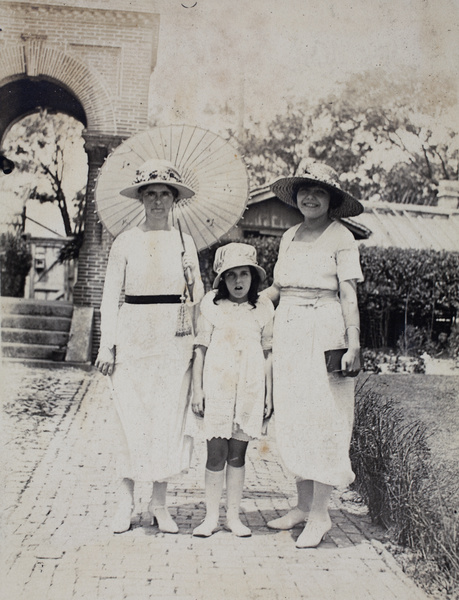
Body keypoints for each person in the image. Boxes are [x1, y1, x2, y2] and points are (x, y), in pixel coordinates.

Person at [95, 158, 204, 534]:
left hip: (174, 340)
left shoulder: (184, 242)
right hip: (134, 336)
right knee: (131, 418)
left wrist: (192, 282)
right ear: (141, 198)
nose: (158, 201)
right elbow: (111, 297)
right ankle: (125, 501)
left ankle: (160, 503)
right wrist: (107, 345)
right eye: (150, 194)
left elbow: (198, 299)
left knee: (166, 419)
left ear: (174, 199)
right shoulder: (126, 241)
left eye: (164, 194)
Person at [263, 161, 364, 548]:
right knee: (295, 416)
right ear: (296, 196)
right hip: (289, 329)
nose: (310, 197)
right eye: (305, 190)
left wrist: (353, 342)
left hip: (325, 329)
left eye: (319, 192)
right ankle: (303, 507)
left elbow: (349, 293)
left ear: (331, 200)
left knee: (325, 418)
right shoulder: (289, 236)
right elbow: (278, 287)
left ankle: (321, 514)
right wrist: (243, 301)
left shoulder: (342, 238)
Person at [191, 243, 274, 537]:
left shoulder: (263, 308)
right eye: (231, 276)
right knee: (216, 452)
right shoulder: (212, 305)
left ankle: (233, 517)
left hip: (250, 386)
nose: (238, 282)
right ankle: (211, 517)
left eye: (244, 275)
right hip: (219, 384)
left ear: (253, 277)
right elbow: (200, 349)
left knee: (238, 454)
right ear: (222, 280)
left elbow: (267, 354)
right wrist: (197, 389)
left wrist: (269, 394)